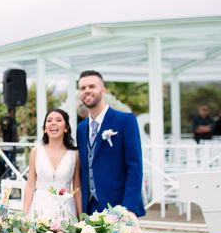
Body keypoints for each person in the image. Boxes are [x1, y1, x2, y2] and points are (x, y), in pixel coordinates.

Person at [76, 70, 144, 216]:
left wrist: (129, 209)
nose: (87, 91)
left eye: (92, 86)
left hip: (119, 207)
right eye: (82, 88)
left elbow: (135, 167)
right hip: (89, 209)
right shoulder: (81, 128)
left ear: (103, 90)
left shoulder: (125, 121)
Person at [23, 108, 81, 219]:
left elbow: (77, 187)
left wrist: (81, 218)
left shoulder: (75, 154)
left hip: (66, 210)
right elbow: (30, 184)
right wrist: (23, 214)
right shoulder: (36, 151)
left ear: (66, 128)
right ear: (45, 128)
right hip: (40, 209)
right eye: (49, 120)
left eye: (58, 120)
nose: (53, 123)